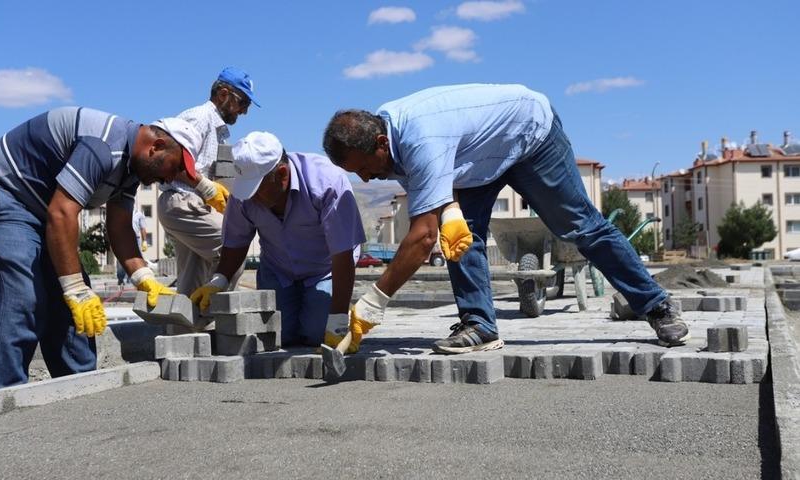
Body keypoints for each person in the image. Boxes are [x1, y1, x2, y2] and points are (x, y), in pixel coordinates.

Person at [322, 83, 690, 354]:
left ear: (380, 145)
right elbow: (438, 206)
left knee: (580, 227)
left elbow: (421, 239)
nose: (366, 179)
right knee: (461, 236)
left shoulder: (419, 138)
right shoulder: (386, 141)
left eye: (365, 169)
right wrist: (451, 212)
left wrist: (374, 301)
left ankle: (656, 305)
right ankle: (480, 325)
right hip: (476, 160)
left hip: (529, 136)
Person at [0, 107, 201, 391]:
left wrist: (144, 278)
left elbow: (120, 227)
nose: (171, 178)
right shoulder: (103, 145)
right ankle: (0, 405)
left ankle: (80, 394)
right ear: (156, 147)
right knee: (22, 300)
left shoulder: (132, 170)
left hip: (37, 213)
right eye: (175, 167)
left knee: (76, 311)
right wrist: (75, 288)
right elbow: (62, 213)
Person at [190, 131, 365, 348]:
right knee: (278, 334)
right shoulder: (244, 195)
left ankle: (331, 313)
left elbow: (343, 254)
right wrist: (218, 281)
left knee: (316, 333)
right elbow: (236, 241)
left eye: (257, 190)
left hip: (326, 269)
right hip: (278, 269)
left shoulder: (327, 183)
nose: (251, 197)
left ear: (282, 174)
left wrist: (338, 322)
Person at [158, 67, 259, 297]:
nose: (244, 111)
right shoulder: (199, 118)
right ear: (223, 94)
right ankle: (220, 319)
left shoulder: (217, 128)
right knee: (232, 250)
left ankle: (188, 329)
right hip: (182, 202)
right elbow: (172, 161)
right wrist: (206, 186)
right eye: (242, 103)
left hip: (191, 204)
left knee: (194, 279)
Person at [116, 208, 148, 286]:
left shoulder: (139, 214)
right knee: (122, 260)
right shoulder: (121, 212)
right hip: (123, 238)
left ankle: (131, 280)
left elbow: (143, 228)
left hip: (135, 239)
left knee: (135, 260)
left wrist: (144, 241)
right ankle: (120, 279)